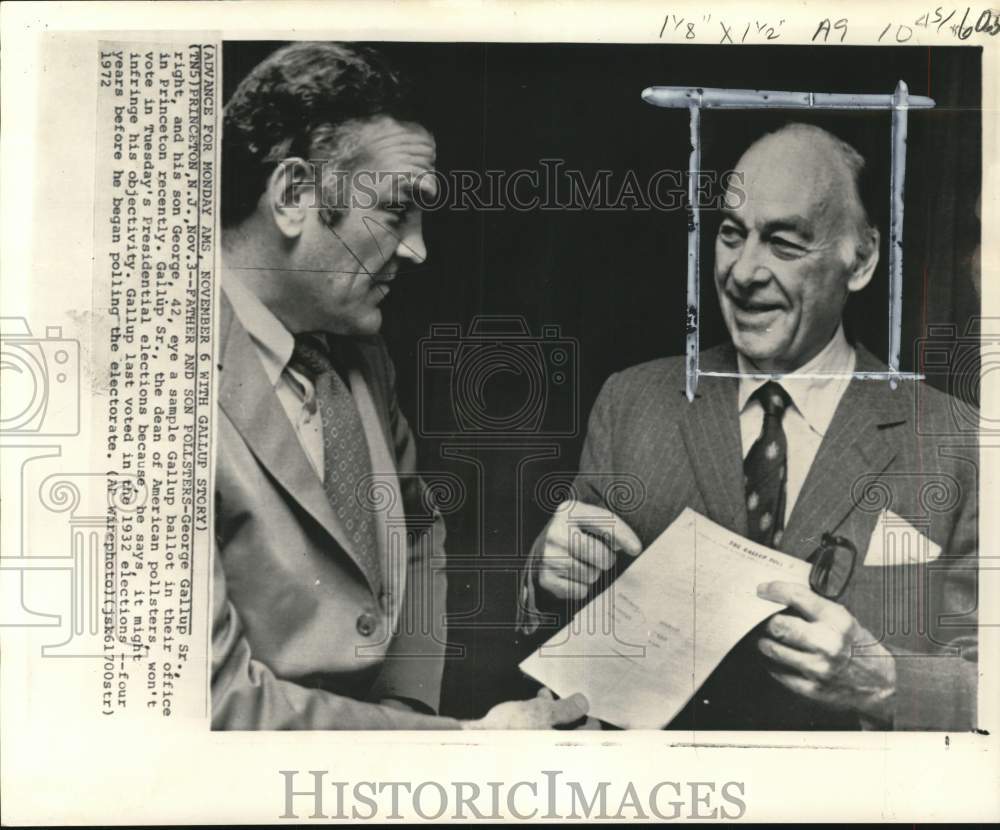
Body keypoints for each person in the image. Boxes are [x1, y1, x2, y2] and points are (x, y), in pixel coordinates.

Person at [520, 123, 978, 730]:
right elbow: (570, 635)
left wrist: (887, 684)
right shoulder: (633, 402)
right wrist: (547, 577)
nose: (742, 272)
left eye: (784, 243)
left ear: (861, 259)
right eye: (732, 235)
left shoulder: (956, 440)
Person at [214, 41, 587, 730]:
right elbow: (220, 707)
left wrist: (405, 708)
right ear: (294, 196)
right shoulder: (148, 387)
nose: (417, 248)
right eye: (395, 212)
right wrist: (456, 747)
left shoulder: (360, 356)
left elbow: (416, 525)